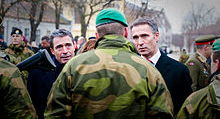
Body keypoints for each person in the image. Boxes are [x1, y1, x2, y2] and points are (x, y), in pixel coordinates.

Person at [44, 8, 174, 118]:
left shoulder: (73, 66)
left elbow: (55, 113)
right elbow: (163, 114)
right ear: (126, 32)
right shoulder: (148, 70)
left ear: (97, 35)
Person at [130, 17, 192, 114]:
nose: (140, 42)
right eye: (135, 37)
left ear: (156, 36)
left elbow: (185, 109)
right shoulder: (129, 68)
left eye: (144, 36)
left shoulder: (179, 70)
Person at [27, 29, 75, 119]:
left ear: (74, 46)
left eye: (68, 45)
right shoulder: (37, 74)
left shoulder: (85, 71)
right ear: (52, 51)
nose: (65, 51)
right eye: (59, 47)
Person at [177, 38, 220, 119]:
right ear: (206, 47)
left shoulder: (204, 61)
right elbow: (191, 87)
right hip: (199, 104)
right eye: (211, 48)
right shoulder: (193, 62)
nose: (212, 50)